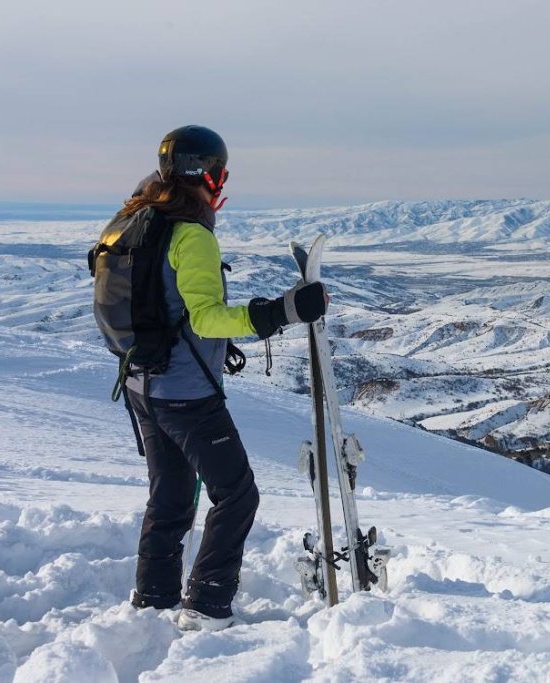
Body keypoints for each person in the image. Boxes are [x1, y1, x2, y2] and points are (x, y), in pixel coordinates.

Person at [119, 125, 327, 631]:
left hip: (141, 384)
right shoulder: (190, 234)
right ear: (208, 174)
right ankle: (208, 604)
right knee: (236, 494)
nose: (221, 184)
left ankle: (154, 600)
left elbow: (161, 306)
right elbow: (206, 318)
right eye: (221, 173)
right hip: (185, 394)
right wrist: (282, 311)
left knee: (170, 495)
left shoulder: (138, 220)